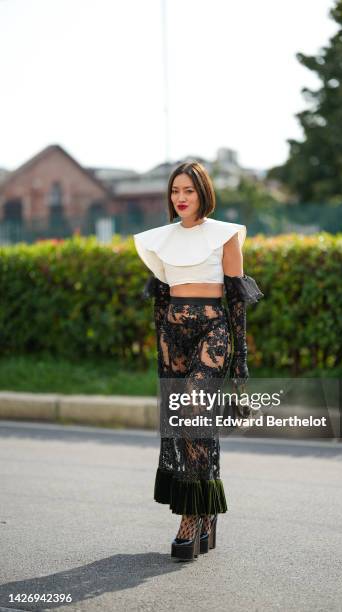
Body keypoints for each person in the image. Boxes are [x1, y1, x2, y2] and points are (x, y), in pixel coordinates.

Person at [133, 161, 263, 560]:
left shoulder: (225, 236)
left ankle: (190, 516)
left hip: (213, 333)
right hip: (174, 337)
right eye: (175, 191)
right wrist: (162, 353)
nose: (181, 198)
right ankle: (207, 512)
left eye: (188, 190)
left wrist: (239, 359)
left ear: (203, 192)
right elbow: (160, 301)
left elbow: (236, 301)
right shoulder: (158, 240)